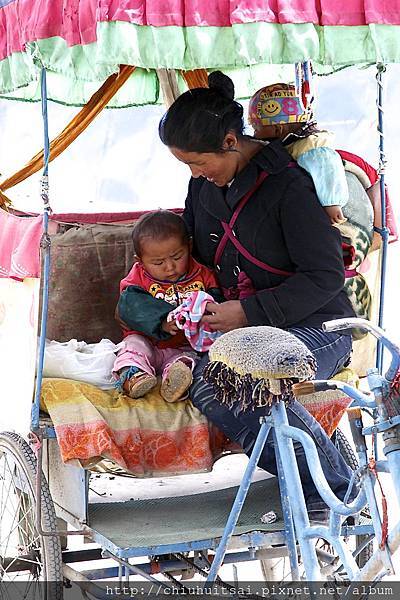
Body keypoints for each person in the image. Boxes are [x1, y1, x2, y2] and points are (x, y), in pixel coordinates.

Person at [158, 71, 358, 518]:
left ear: (231, 141)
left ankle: (335, 495)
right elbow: (198, 260)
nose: (195, 175)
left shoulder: (288, 187)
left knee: (246, 384)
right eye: (187, 166)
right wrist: (185, 307)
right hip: (246, 339)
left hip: (317, 327)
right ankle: (327, 484)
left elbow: (326, 277)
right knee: (209, 385)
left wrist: (249, 311)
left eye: (198, 162)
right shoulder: (203, 189)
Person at [113, 210, 222, 402]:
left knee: (186, 363)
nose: (170, 267)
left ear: (189, 246)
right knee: (133, 348)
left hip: (183, 345)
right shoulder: (137, 277)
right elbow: (130, 306)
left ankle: (173, 383)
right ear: (141, 261)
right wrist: (162, 321)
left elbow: (214, 304)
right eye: (158, 262)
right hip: (147, 341)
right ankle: (133, 377)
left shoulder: (204, 275)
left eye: (177, 257)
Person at [248, 82, 348, 224]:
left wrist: (331, 203)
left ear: (278, 129)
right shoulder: (292, 145)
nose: (254, 134)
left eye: (256, 128)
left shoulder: (309, 147)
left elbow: (327, 169)